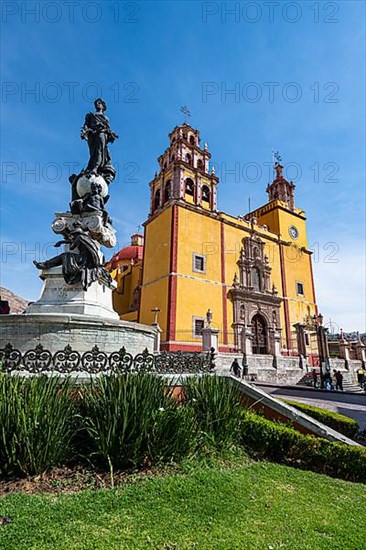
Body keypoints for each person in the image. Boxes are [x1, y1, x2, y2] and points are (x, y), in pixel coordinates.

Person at [81, 98, 118, 183]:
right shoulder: (90, 115)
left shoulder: (105, 118)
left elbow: (108, 129)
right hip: (92, 135)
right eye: (96, 103)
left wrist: (110, 133)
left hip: (101, 134)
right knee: (93, 153)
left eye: (99, 103)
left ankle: (95, 168)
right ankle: (91, 167)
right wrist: (84, 132)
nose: (97, 104)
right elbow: (85, 126)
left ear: (103, 106)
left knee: (99, 150)